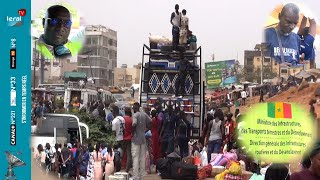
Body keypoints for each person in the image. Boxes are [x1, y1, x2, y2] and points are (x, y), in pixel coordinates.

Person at [131, 102, 152, 180]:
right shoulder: (144, 114)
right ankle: (141, 175)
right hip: (143, 138)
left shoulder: (135, 115)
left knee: (135, 157)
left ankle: (136, 175)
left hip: (136, 139)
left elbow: (134, 124)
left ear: (135, 108)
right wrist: (146, 130)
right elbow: (150, 122)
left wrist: (133, 133)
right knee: (142, 157)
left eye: (133, 107)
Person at [123, 107, 133, 173]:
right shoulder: (131, 120)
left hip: (122, 138)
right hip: (129, 138)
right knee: (129, 154)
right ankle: (127, 170)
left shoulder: (122, 119)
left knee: (121, 153)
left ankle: (119, 167)